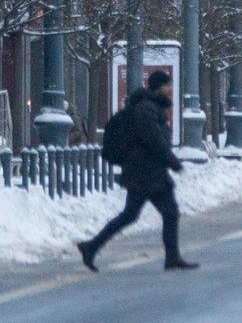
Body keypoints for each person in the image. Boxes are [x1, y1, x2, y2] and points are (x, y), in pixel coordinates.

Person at [79, 70, 196, 272]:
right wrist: (172, 161)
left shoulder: (151, 107)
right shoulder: (146, 109)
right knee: (141, 214)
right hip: (144, 172)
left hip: (149, 171)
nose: (170, 90)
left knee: (155, 213)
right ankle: (91, 247)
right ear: (159, 87)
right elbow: (154, 139)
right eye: (167, 85)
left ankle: (172, 257)